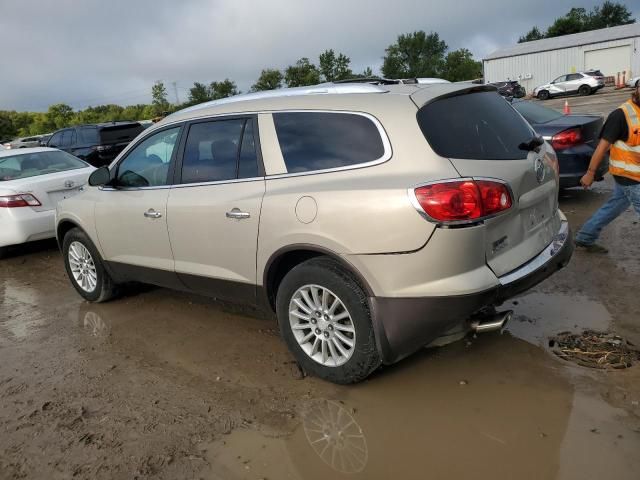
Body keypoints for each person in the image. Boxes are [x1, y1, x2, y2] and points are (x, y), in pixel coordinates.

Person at [575, 85, 640, 253]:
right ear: (637, 89)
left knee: (615, 205)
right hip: (629, 177)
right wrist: (590, 173)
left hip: (634, 176)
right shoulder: (621, 115)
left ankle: (585, 236)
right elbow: (601, 147)